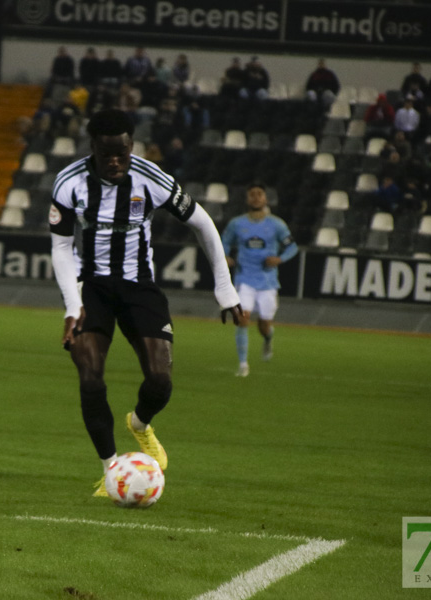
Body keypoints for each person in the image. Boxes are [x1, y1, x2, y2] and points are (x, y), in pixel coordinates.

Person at [49, 109, 242, 498]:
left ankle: (139, 424)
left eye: (123, 151)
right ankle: (111, 470)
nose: (116, 161)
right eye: (107, 154)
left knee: (160, 380)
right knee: (89, 373)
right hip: (94, 287)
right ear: (93, 149)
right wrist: (73, 306)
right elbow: (61, 247)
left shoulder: (151, 178)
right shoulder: (69, 183)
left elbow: (202, 223)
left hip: (140, 286)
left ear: (132, 145)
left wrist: (224, 287)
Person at [222, 184, 298, 377]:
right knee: (241, 318)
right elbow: (223, 242)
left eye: (259, 194)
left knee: (264, 324)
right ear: (247, 199)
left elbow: (292, 247)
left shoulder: (276, 224)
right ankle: (243, 364)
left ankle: (267, 339)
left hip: (267, 281)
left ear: (265, 199)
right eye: (252, 195)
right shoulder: (237, 224)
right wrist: (225, 257)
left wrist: (279, 259)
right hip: (244, 278)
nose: (256, 198)